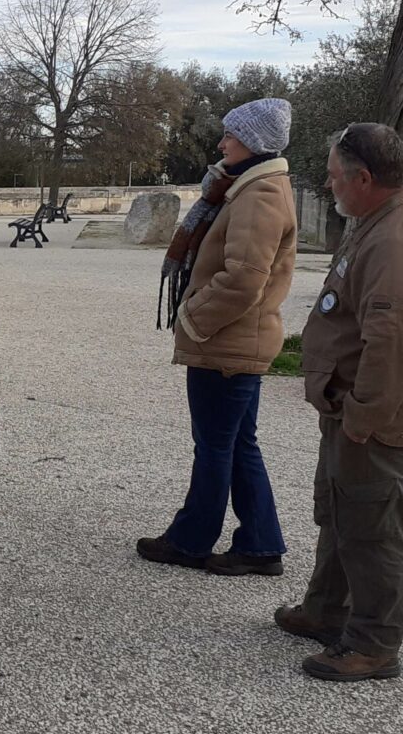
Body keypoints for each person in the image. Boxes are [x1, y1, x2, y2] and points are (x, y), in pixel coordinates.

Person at [138, 98, 297, 577]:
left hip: (228, 343)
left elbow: (246, 277)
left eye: (230, 134)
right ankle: (261, 544)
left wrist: (192, 316)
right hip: (237, 342)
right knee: (236, 442)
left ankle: (190, 541)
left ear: (253, 142)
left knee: (215, 446)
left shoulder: (259, 193)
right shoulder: (249, 185)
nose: (222, 142)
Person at [275, 123, 403, 682]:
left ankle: (374, 642)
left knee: (371, 526)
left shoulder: (392, 240)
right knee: (339, 511)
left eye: (333, 178)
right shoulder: (374, 224)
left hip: (368, 418)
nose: (329, 188)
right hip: (344, 406)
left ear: (364, 178)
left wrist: (365, 416)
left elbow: (390, 336)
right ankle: (326, 608)